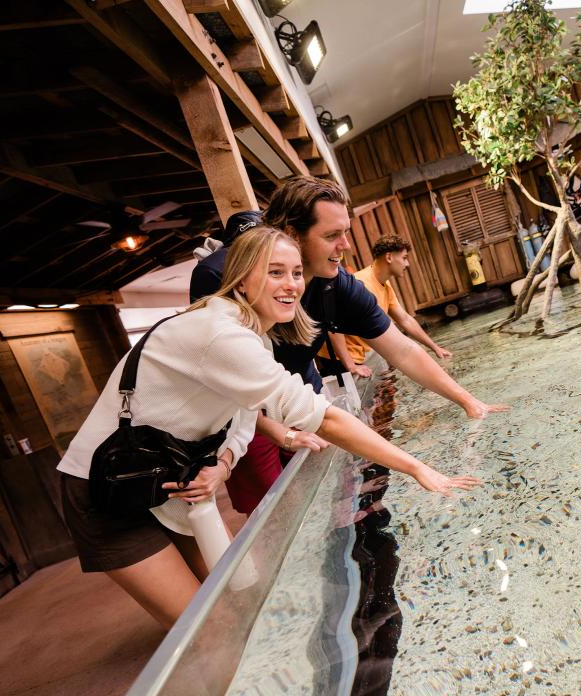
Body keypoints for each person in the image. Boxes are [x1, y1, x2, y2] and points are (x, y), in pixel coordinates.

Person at [58, 226, 479, 629]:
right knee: (211, 626)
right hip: (102, 489)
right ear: (241, 281)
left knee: (241, 599)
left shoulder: (253, 335)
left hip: (168, 480)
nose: (291, 284)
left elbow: (244, 417)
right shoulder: (220, 334)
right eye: (275, 272)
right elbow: (323, 417)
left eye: (295, 272)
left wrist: (223, 464)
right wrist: (417, 467)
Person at [190, 179, 507, 515]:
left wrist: (469, 402)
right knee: (277, 513)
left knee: (337, 501)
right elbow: (226, 383)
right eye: (331, 236)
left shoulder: (335, 283)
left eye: (346, 232)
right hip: (243, 408)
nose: (346, 246)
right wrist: (279, 433)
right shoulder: (220, 279)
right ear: (291, 234)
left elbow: (401, 349)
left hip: (298, 387)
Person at [317, 233, 451, 379]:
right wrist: (350, 365)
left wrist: (435, 348)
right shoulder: (360, 284)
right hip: (337, 359)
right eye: (404, 258)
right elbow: (332, 327)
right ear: (389, 257)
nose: (407, 264)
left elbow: (405, 319)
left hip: (359, 355)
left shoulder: (385, 284)